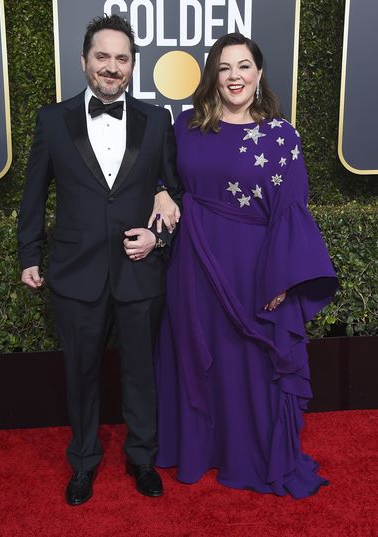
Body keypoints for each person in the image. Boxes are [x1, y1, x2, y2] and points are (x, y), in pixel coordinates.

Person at [154, 33, 338, 499]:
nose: (234, 76)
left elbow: (292, 208)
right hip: (193, 263)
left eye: (243, 66)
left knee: (252, 364)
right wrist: (161, 190)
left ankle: (249, 453)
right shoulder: (186, 126)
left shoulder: (281, 135)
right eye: (224, 67)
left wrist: (283, 278)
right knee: (197, 355)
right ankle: (201, 449)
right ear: (213, 76)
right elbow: (162, 175)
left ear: (258, 74)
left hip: (254, 266)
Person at [18, 14, 182, 505]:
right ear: (85, 60)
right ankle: (84, 462)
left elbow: (172, 192)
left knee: (141, 372)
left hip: (139, 268)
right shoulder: (52, 119)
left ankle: (142, 457)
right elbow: (33, 195)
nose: (112, 67)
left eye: (122, 58)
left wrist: (157, 238)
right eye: (102, 57)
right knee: (81, 373)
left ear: (133, 65)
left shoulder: (158, 120)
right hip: (75, 271)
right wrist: (29, 253)